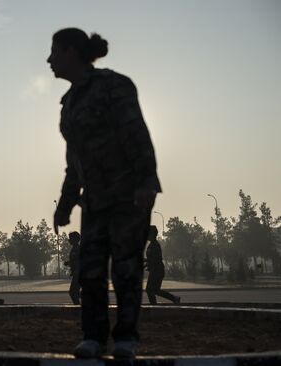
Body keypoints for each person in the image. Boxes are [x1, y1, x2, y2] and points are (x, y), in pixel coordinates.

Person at [49, 28, 161, 359]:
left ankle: (126, 338)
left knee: (126, 269)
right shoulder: (69, 103)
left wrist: (147, 181)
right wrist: (66, 203)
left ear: (71, 52)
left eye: (54, 51)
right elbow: (75, 161)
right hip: (95, 200)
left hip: (127, 195)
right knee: (91, 271)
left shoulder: (114, 85)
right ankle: (94, 337)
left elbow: (137, 132)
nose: (49, 59)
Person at [145, 225, 180, 305]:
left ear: (152, 234)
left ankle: (154, 306)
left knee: (149, 290)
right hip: (156, 270)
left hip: (157, 271)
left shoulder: (155, 245)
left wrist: (146, 262)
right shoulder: (151, 245)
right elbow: (151, 259)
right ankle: (174, 298)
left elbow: (156, 259)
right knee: (156, 290)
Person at [64, 231, 81, 305]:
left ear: (75, 239)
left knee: (73, 293)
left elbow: (78, 261)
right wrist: (69, 263)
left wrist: (69, 263)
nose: (69, 240)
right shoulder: (74, 249)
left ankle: (78, 309)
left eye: (71, 238)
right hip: (76, 274)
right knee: (74, 293)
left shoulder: (77, 249)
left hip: (79, 274)